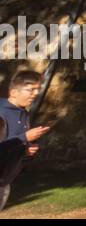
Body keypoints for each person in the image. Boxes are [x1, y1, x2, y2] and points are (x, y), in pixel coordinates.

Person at [0, 71, 50, 211]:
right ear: (13, 92)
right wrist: (25, 138)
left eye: (37, 89)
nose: (35, 94)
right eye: (30, 89)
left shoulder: (23, 113)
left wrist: (25, 151)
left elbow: (9, 147)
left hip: (4, 182)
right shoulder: (1, 113)